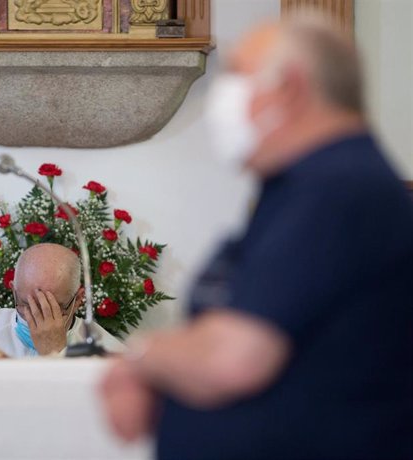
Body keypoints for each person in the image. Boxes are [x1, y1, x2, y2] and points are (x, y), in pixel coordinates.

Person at [100, 18, 413, 460]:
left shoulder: (337, 187)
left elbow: (233, 359)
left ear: (292, 88)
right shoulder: (300, 186)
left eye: (238, 75)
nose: (223, 100)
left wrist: (142, 356)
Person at [0, 243, 124, 357]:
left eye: (54, 307)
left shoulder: (110, 356)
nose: (37, 316)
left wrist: (56, 355)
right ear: (13, 290)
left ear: (78, 299)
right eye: (26, 304)